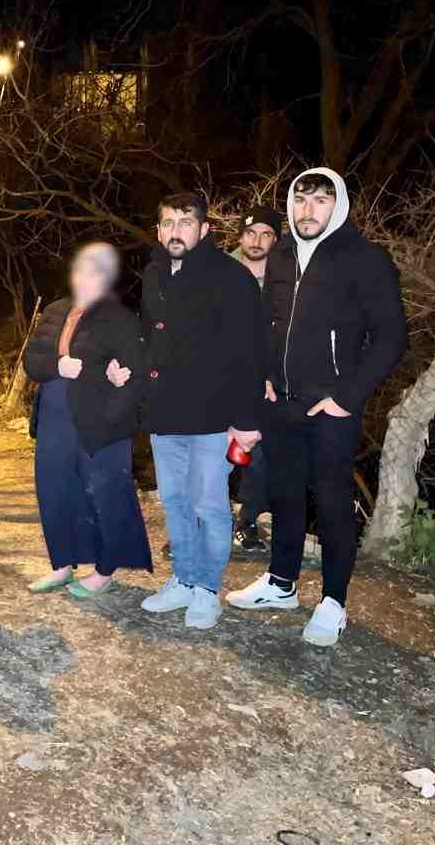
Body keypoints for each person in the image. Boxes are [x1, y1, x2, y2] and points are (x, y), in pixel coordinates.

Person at [227, 168, 406, 647]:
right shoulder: (282, 254)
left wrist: (348, 396)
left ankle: (333, 603)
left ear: (339, 205)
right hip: (279, 401)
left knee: (330, 503)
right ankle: (281, 583)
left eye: (320, 200)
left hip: (331, 408)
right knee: (285, 494)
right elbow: (268, 323)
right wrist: (262, 375)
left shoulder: (364, 259)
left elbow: (391, 338)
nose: (308, 210)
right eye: (301, 200)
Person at [139, 192, 266, 630]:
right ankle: (184, 579)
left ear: (204, 229)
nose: (176, 231)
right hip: (164, 415)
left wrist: (246, 421)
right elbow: (150, 342)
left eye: (186, 223)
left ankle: (208, 589)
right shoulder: (153, 274)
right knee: (174, 502)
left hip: (214, 418)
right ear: (159, 230)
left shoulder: (232, 278)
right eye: (169, 223)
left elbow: (250, 353)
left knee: (209, 504)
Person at [23, 243, 152, 598]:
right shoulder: (54, 310)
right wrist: (55, 366)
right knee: (56, 490)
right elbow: (32, 362)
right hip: (53, 416)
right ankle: (63, 564)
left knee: (104, 495)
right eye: (81, 270)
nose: (86, 278)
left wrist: (114, 394)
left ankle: (105, 569)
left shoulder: (120, 318)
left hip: (98, 420)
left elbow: (133, 373)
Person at [229, 207, 284, 555]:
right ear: (240, 237)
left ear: (276, 240)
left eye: (266, 234)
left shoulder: (288, 278)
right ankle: (201, 524)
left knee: (260, 454)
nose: (257, 241)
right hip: (221, 377)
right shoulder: (219, 272)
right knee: (209, 453)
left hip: (266, 381)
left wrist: (272, 376)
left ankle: (247, 520)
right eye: (251, 233)